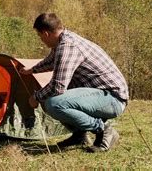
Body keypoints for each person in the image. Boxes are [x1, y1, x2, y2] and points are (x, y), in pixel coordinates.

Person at [19, 13, 129, 152]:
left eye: (39, 36)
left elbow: (58, 87)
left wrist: (35, 97)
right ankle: (79, 135)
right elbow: (52, 61)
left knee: (54, 103)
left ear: (46, 33)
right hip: (100, 95)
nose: (41, 40)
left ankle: (103, 129)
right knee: (51, 99)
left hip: (112, 98)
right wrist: (32, 70)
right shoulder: (63, 40)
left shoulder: (68, 47)